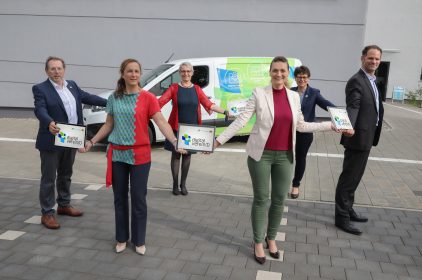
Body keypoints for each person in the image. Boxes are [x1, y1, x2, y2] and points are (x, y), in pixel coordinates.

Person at [214, 56, 336, 264]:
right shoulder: (259, 94)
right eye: (275, 70)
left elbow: (301, 125)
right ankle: (258, 242)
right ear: (270, 72)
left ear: (287, 73)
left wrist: (329, 125)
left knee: (279, 200)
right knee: (261, 199)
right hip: (261, 155)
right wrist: (218, 141)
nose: (278, 74)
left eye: (282, 70)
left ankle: (271, 238)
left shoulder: (293, 96)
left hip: (285, 156)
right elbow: (242, 120)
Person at [80, 58, 184, 255]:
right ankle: (121, 238)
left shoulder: (148, 98)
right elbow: (108, 124)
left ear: (139, 74)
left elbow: (161, 122)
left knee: (138, 198)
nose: (134, 74)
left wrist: (175, 141)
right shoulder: (113, 98)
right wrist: (91, 141)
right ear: (123, 73)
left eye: (137, 71)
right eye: (130, 71)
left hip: (140, 155)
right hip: (117, 154)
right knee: (119, 199)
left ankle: (139, 239)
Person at [33, 56, 107, 230]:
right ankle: (47, 213)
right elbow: (40, 109)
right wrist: (49, 122)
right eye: (52, 69)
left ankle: (64, 205)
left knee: (66, 174)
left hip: (71, 137)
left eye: (59, 68)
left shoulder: (72, 85)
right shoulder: (40, 89)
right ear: (46, 71)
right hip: (52, 138)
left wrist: (112, 101)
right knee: (49, 178)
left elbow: (89, 98)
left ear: (64, 69)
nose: (56, 72)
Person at [158, 62, 229, 196]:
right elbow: (160, 102)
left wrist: (224, 111)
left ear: (192, 73)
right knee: (176, 155)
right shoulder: (174, 88)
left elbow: (209, 104)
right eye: (183, 71)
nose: (186, 74)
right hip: (176, 127)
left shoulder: (196, 89)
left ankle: (183, 184)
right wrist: (146, 109)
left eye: (188, 71)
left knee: (187, 156)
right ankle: (174, 185)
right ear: (180, 73)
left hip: (192, 129)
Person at [334, 45, 384, 235]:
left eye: (377, 59)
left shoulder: (371, 80)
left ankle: (348, 209)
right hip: (357, 136)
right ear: (362, 58)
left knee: (356, 177)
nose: (374, 62)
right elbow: (353, 106)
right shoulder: (357, 80)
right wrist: (349, 126)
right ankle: (341, 218)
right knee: (349, 178)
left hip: (367, 136)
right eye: (370, 58)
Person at [289, 66, 335, 199]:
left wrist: (340, 115)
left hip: (305, 132)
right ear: (295, 78)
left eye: (304, 77)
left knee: (300, 158)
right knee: (287, 158)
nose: (301, 79)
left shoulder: (314, 93)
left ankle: (295, 185)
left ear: (308, 78)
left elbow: (326, 104)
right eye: (299, 76)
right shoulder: (290, 92)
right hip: (289, 132)